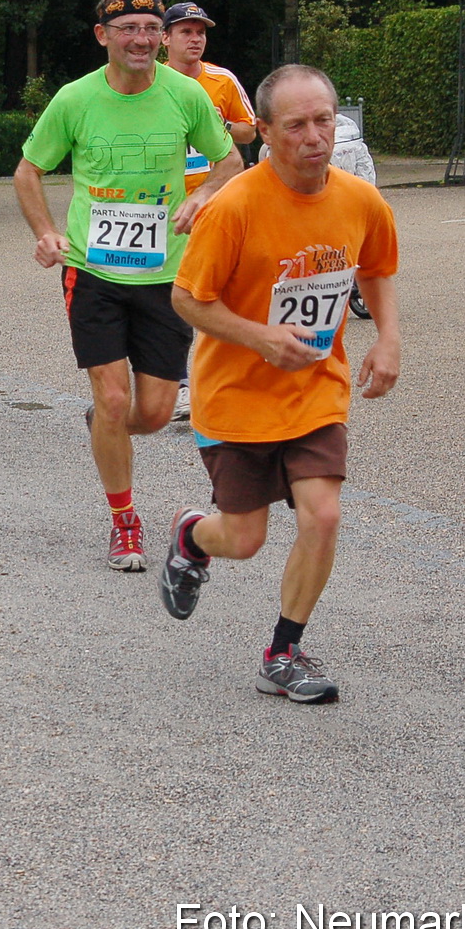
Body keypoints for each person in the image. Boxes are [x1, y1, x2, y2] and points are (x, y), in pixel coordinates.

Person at [164, 64, 400, 704]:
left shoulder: (360, 200)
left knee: (323, 514)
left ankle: (283, 652)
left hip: (316, 388)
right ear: (264, 132)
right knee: (243, 539)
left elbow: (376, 267)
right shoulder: (233, 207)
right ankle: (194, 535)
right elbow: (187, 299)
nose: (314, 137)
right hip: (236, 396)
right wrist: (260, 337)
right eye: (296, 125)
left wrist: (388, 337)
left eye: (324, 120)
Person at [14, 0, 241, 571]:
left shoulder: (186, 95)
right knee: (114, 397)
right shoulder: (74, 99)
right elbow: (27, 171)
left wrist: (204, 195)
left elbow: (230, 160)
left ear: (161, 37)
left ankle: (105, 426)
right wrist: (45, 232)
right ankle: (125, 522)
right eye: (128, 29)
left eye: (150, 29)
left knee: (157, 413)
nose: (141, 39)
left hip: (166, 274)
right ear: (103, 36)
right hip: (93, 271)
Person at [161, 1, 258, 421]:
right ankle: (180, 384)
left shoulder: (222, 79)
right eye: (186, 31)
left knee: (225, 290)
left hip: (218, 200)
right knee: (175, 294)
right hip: (167, 205)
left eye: (200, 32)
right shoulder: (151, 82)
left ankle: (229, 378)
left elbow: (250, 130)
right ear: (165, 38)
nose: (195, 39)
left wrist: (219, 124)